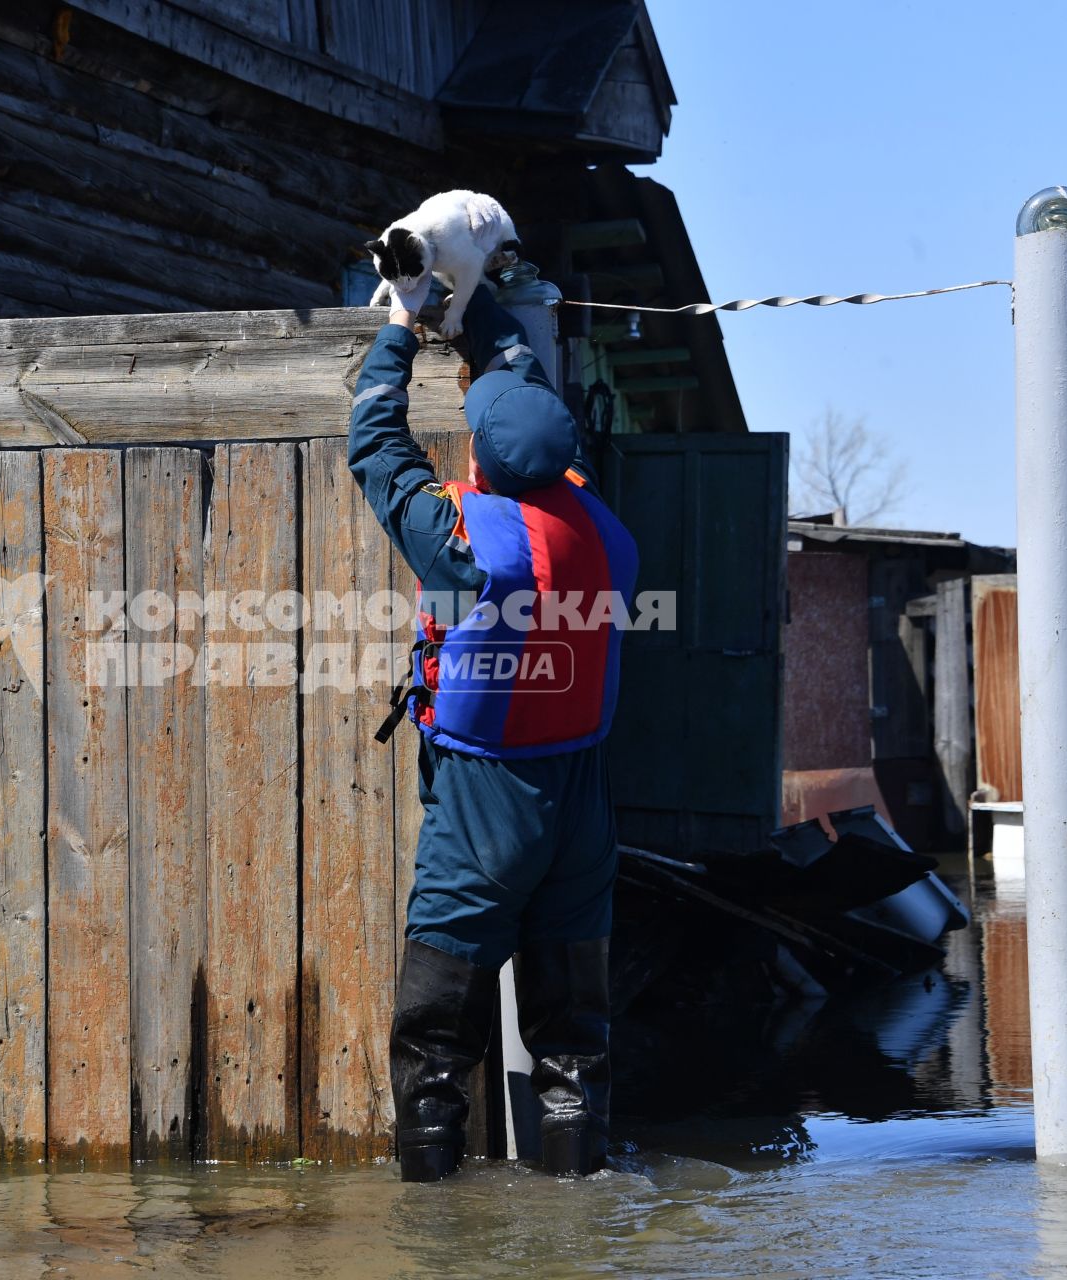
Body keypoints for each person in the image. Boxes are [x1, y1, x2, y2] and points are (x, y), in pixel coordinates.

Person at [349, 274, 639, 1181]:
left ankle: (434, 1233)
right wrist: (479, 311)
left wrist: (402, 325)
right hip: (583, 806)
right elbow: (543, 419)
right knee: (572, 1047)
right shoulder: (604, 525)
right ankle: (575, 1209)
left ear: (480, 452)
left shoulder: (458, 539)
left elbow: (375, 446)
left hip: (484, 804)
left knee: (437, 1045)